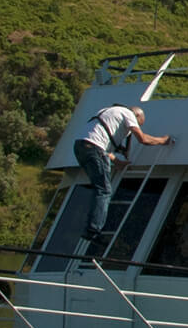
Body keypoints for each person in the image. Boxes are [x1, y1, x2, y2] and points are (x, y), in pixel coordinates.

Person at [73, 104, 173, 250]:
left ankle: (92, 226)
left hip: (81, 147)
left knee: (98, 187)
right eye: (138, 124)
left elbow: (99, 139)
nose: (133, 129)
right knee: (104, 191)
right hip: (94, 149)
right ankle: (93, 231)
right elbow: (143, 139)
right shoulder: (129, 114)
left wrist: (116, 161)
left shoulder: (107, 112)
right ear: (137, 116)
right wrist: (163, 140)